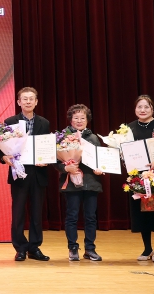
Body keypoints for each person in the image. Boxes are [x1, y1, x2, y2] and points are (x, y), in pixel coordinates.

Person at [0, 87, 51, 261]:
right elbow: (0, 144)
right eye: (24, 99)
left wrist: (47, 159)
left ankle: (34, 248)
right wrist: (4, 156)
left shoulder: (44, 122)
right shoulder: (10, 121)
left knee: (37, 213)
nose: (28, 101)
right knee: (18, 212)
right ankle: (20, 248)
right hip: (18, 172)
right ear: (19, 102)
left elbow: (47, 146)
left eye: (31, 99)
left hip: (38, 173)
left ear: (36, 102)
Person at [55, 104, 103, 261]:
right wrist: (65, 168)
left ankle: (90, 249)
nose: (79, 120)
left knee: (90, 217)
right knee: (72, 216)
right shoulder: (63, 137)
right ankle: (73, 248)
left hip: (91, 182)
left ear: (87, 120)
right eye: (76, 117)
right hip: (71, 183)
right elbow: (55, 161)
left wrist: (100, 168)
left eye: (83, 118)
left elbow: (100, 159)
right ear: (70, 119)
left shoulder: (93, 138)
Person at [127, 95, 154, 262]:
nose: (143, 110)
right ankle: (147, 249)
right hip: (137, 176)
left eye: (146, 107)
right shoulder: (129, 129)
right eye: (139, 107)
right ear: (135, 109)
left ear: (152, 109)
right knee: (142, 213)